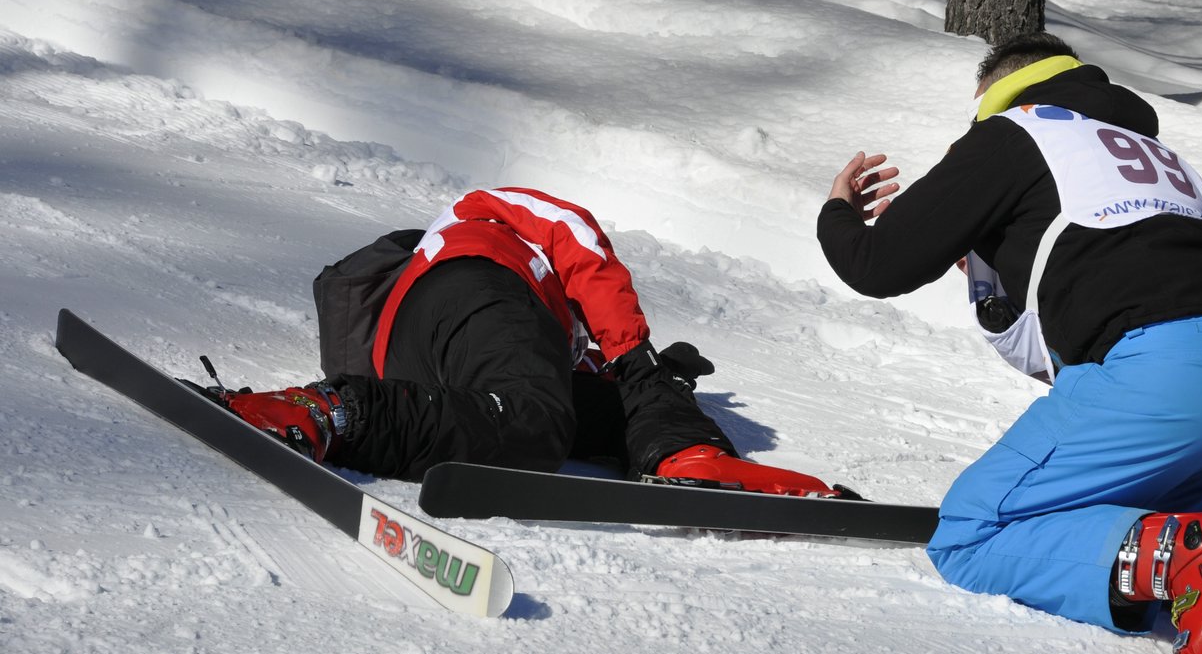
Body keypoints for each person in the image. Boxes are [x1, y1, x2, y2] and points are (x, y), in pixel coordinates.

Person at [816, 33, 1202, 654]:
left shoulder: (1012, 131)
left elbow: (877, 264)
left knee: (971, 532)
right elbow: (1081, 332)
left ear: (995, 95)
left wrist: (838, 213)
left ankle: (1193, 561)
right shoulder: (1159, 157)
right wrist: (998, 272)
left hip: (1167, 370)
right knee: (1129, 507)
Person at [220, 185, 840, 496]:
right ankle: (326, 410)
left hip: (423, 361)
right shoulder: (479, 216)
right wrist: (633, 350)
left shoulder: (542, 339)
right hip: (478, 289)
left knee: (545, 415)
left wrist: (652, 386)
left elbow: (595, 394)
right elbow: (577, 239)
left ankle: (689, 461)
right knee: (540, 421)